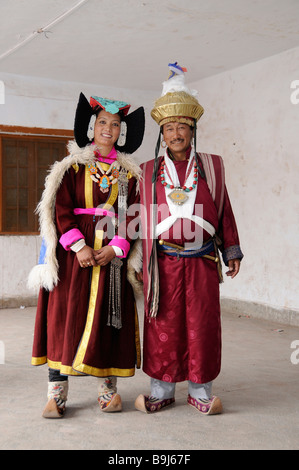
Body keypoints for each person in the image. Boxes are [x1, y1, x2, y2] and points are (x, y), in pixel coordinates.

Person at [134, 63, 243, 415]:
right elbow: (137, 216)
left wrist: (231, 250)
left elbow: (224, 209)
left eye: (182, 126)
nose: (176, 133)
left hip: (203, 261)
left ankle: (200, 391)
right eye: (169, 128)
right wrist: (136, 260)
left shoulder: (213, 165)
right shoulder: (148, 171)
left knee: (202, 326)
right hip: (162, 263)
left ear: (192, 129)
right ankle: (162, 390)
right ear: (162, 134)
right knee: (162, 325)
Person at [28, 93, 145, 418]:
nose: (108, 129)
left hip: (112, 260)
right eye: (103, 123)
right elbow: (60, 208)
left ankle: (107, 393)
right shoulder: (72, 167)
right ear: (92, 127)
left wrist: (115, 248)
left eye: (115, 124)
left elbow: (131, 215)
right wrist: (79, 247)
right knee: (64, 319)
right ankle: (57, 395)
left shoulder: (127, 175)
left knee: (111, 320)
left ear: (121, 132)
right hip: (72, 260)